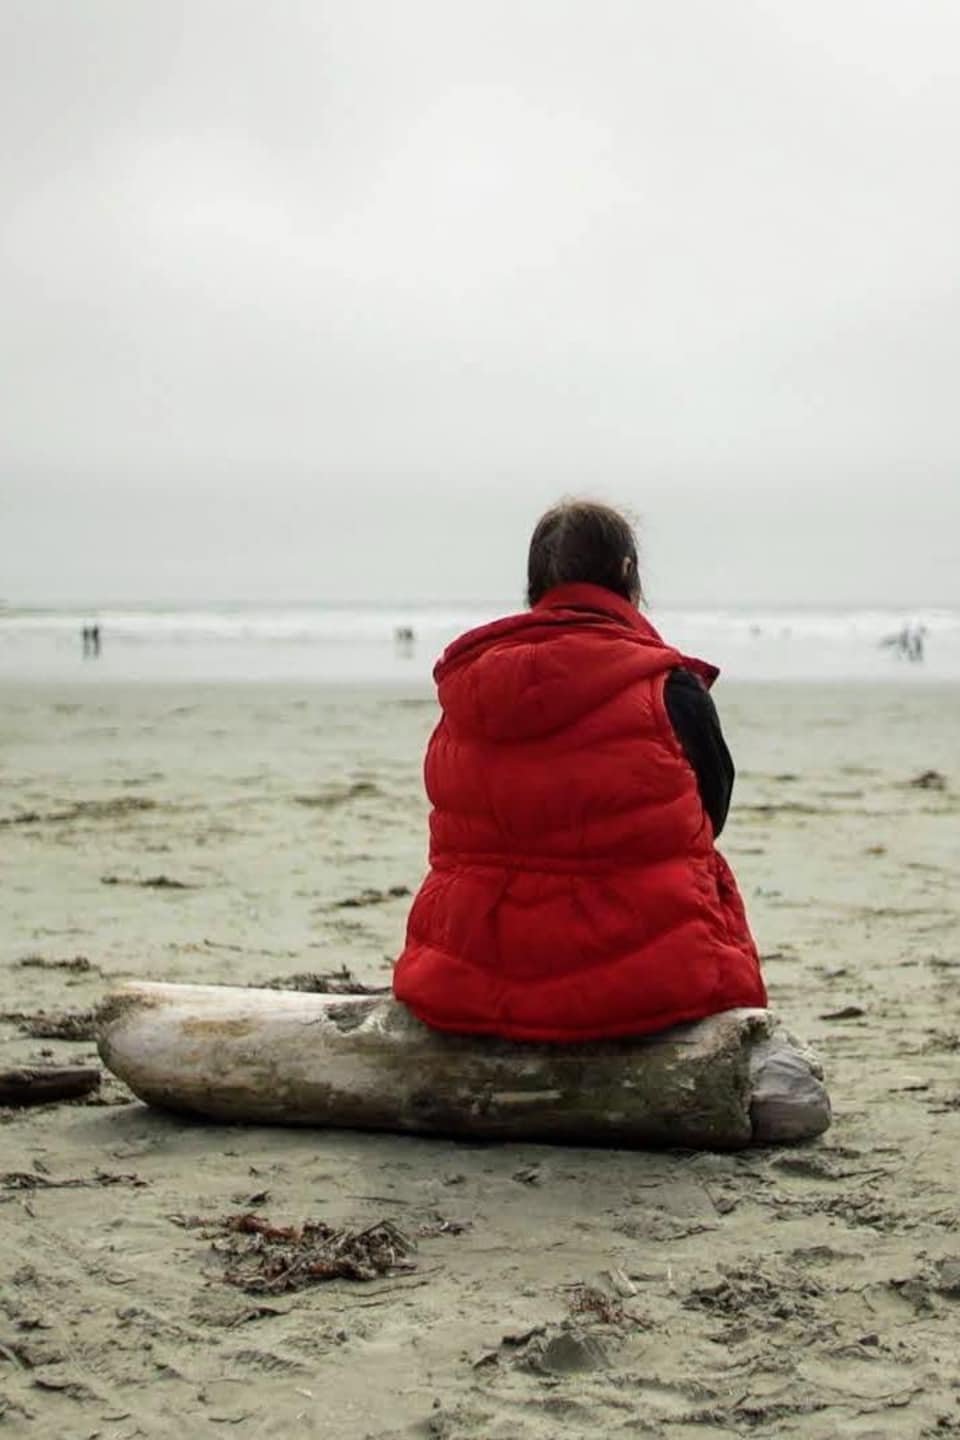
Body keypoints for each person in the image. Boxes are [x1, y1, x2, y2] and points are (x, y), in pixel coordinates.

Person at [393, 499, 767, 1042]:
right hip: (646, 988)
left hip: (467, 982)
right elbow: (712, 814)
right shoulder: (669, 689)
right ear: (626, 575)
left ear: (534, 587)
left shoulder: (469, 694)